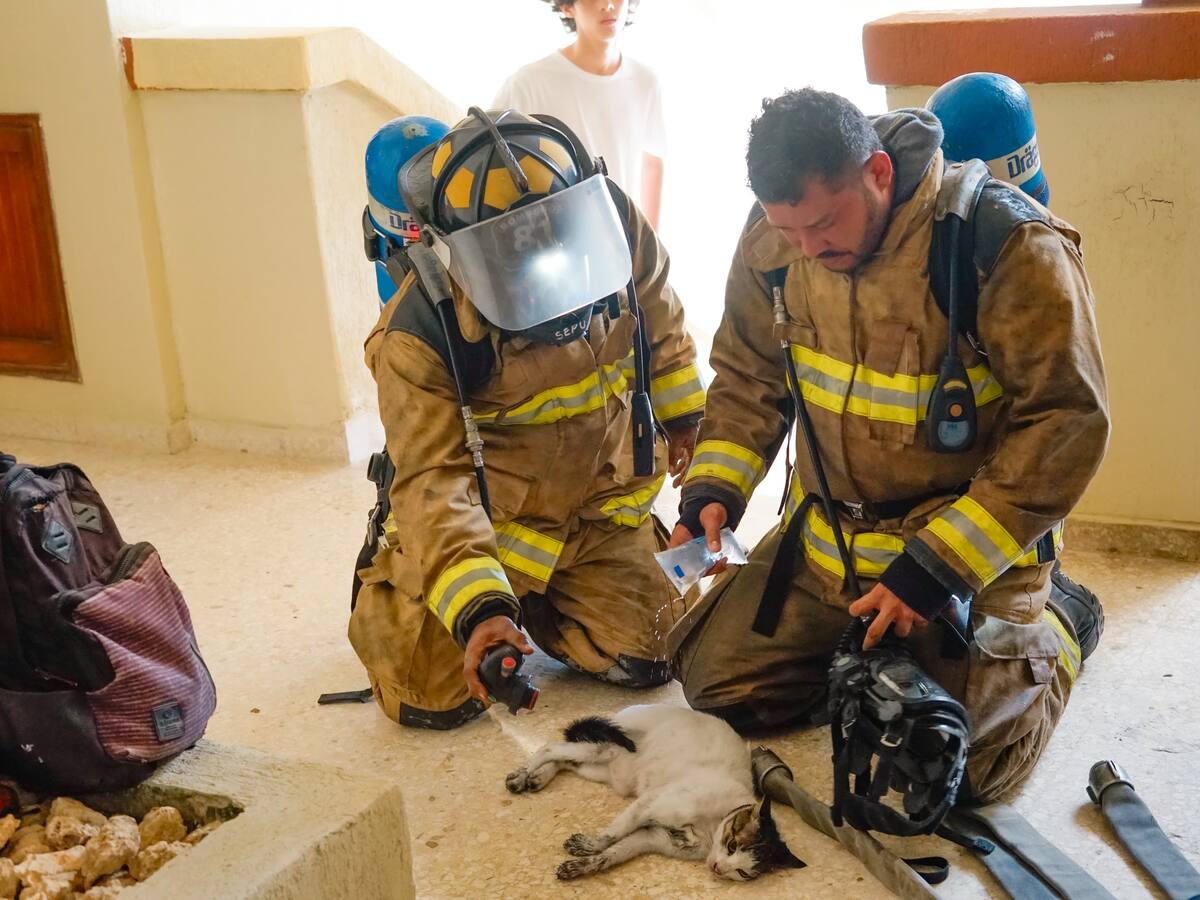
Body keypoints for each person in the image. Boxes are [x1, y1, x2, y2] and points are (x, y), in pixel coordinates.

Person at [668, 88, 1109, 803]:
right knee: (719, 690)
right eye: (791, 230)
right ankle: (874, 656)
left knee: (961, 774)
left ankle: (1059, 621)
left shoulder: (1002, 243)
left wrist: (934, 573)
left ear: (877, 171)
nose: (808, 248)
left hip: (962, 556)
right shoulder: (778, 240)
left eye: (822, 223)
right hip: (829, 546)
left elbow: (1067, 423)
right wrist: (713, 493)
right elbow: (749, 375)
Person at [349, 109, 705, 730]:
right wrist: (481, 608)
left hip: (598, 515)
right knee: (427, 696)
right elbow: (434, 482)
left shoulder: (611, 225)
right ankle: (416, 586)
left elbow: (661, 312)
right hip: (496, 530)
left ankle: (557, 607)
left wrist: (683, 419)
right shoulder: (417, 337)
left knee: (658, 648)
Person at [494, 0, 666, 229]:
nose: (608, 5)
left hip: (623, 239)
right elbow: (491, 160)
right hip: (556, 240)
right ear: (567, 7)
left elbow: (652, 162)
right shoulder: (529, 83)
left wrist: (650, 244)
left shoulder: (645, 82)